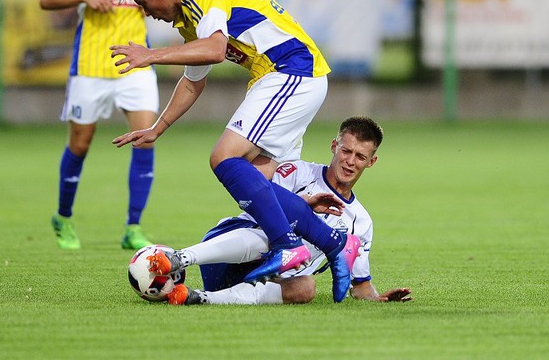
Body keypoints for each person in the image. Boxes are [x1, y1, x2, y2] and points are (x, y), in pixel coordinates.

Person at [110, 0, 331, 283]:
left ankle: (287, 245)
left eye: (143, 3)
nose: (145, 13)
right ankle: (336, 244)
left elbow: (214, 50)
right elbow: (192, 82)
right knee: (259, 182)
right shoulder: (190, 20)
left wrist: (151, 55)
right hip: (288, 77)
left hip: (291, 71)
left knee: (224, 158)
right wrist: (158, 127)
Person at [156, 116, 412, 305]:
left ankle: (201, 298)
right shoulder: (295, 172)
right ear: (334, 146)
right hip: (228, 254)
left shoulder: (361, 221)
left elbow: (360, 285)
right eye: (346, 151)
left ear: (371, 162)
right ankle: (181, 257)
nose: (350, 161)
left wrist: (379, 299)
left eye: (360, 156)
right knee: (275, 238)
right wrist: (301, 204)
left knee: (306, 288)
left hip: (265, 280)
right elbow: (253, 201)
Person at [39, 0, 159, 250]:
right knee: (80, 143)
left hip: (136, 63)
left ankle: (133, 227)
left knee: (145, 139)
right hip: (91, 65)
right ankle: (63, 217)